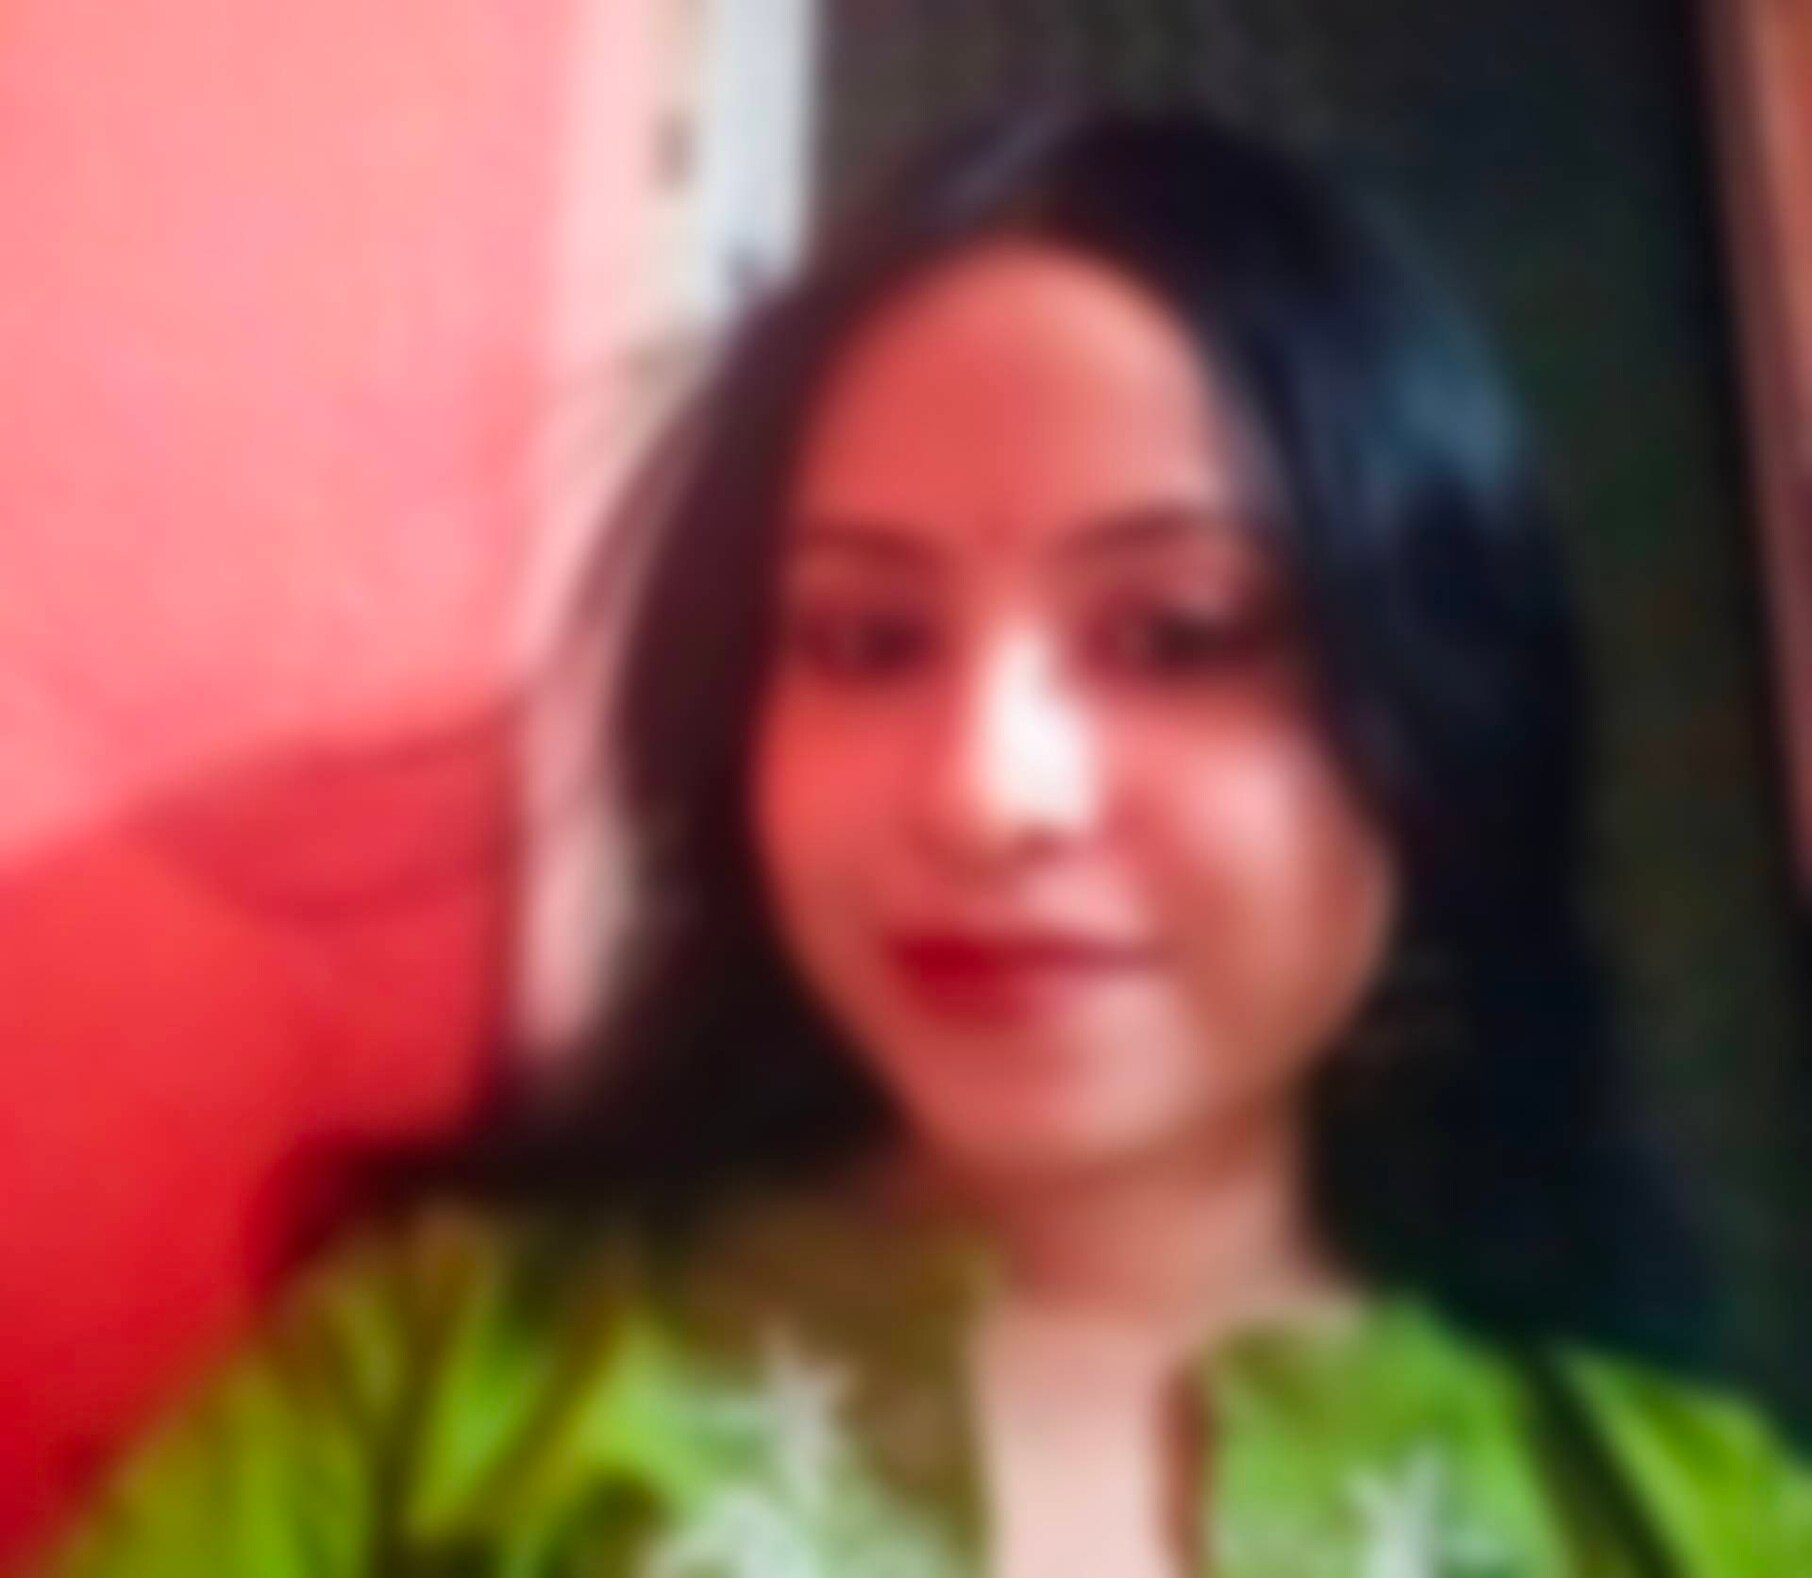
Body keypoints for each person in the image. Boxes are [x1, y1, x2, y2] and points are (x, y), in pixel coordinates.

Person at [45, 105, 1812, 1577]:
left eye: (1177, 632)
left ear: (1440, 727)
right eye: (868, 639)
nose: (985, 790)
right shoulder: (427, 1388)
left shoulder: (1696, 1520)